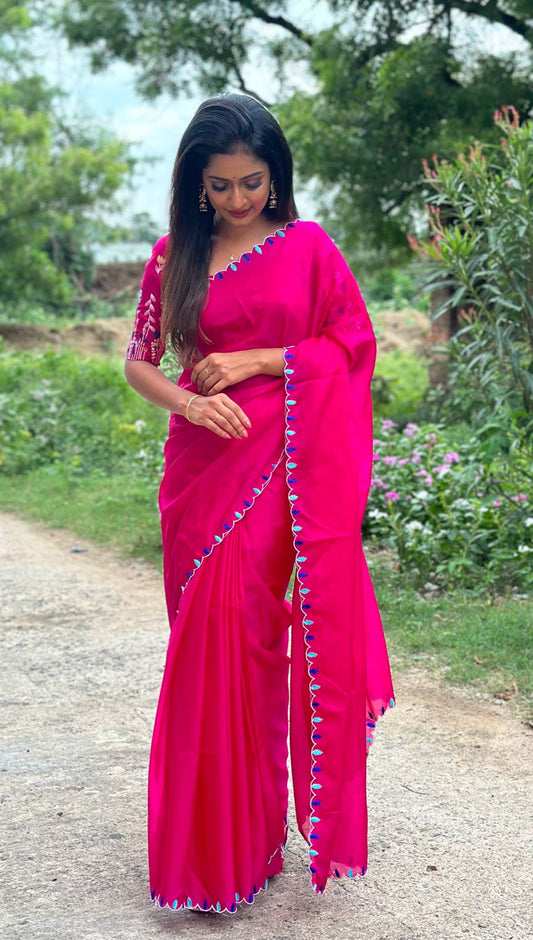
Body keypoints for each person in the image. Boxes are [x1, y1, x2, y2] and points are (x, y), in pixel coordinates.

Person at [124, 93, 394, 915]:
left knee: (241, 629)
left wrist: (256, 361)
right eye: (219, 185)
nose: (238, 199)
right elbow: (139, 364)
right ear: (194, 186)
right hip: (198, 469)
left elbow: (352, 343)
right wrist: (189, 402)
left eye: (252, 181)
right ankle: (231, 848)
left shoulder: (307, 248)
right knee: (208, 652)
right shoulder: (174, 257)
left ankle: (235, 849)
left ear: (276, 176)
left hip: (281, 465)